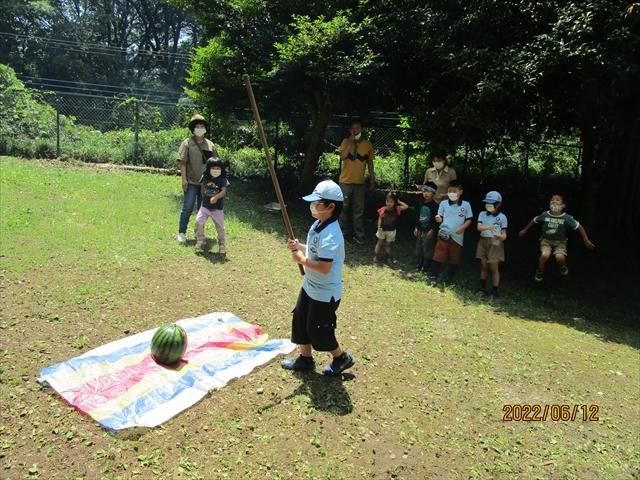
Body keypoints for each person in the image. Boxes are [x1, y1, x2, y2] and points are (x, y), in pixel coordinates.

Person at [281, 180, 355, 376]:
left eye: (316, 203)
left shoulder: (331, 235)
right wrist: (300, 247)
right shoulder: (318, 223)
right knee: (300, 320)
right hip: (310, 286)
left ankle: (341, 358)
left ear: (331, 207)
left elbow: (324, 267)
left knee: (319, 330)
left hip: (325, 292)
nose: (312, 206)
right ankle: (305, 360)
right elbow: (315, 251)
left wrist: (301, 260)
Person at [519, 194, 594, 282]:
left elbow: (578, 226)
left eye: (558, 200)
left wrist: (586, 239)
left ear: (564, 205)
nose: (554, 201)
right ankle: (540, 271)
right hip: (546, 240)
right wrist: (525, 230)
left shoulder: (567, 218)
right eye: (552, 200)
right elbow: (534, 220)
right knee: (544, 255)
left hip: (560, 242)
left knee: (560, 257)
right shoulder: (544, 215)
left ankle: (562, 266)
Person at [176, 114, 219, 243]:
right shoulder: (187, 143)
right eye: (197, 126)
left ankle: (199, 232)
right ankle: (182, 232)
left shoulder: (210, 145)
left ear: (205, 128)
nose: (200, 128)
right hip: (191, 181)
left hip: (205, 184)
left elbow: (216, 164)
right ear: (193, 129)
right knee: (187, 207)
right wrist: (184, 180)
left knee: (203, 210)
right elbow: (183, 162)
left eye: (202, 126)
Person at [428, 180, 473, 286]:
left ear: (460, 192)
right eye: (449, 191)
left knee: (454, 257)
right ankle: (434, 276)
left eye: (454, 191)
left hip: (457, 236)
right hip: (444, 234)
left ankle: (451, 277)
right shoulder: (443, 204)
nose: (451, 193)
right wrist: (438, 219)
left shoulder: (466, 205)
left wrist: (462, 228)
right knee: (438, 255)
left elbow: (469, 219)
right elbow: (439, 217)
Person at [338, 119, 375, 244]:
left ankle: (358, 234)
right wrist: (350, 141)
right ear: (350, 130)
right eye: (353, 128)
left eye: (358, 127)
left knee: (359, 209)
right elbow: (342, 157)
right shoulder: (345, 141)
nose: (355, 130)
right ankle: (342, 231)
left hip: (360, 183)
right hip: (345, 181)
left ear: (362, 129)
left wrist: (372, 178)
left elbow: (370, 162)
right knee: (343, 207)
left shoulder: (368, 144)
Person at [476, 191, 508, 298]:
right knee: (484, 266)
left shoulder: (502, 217)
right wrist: (489, 228)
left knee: (494, 268)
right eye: (487, 203)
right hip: (483, 240)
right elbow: (479, 227)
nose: (488, 205)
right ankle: (482, 288)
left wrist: (499, 237)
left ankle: (494, 291)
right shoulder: (482, 214)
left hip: (495, 243)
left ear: (498, 204)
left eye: (492, 203)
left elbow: (504, 235)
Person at [194, 158, 229, 253]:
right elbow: (202, 188)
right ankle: (200, 239)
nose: (216, 170)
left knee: (220, 227)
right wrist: (204, 198)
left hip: (217, 208)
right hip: (205, 206)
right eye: (213, 168)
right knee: (198, 222)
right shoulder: (204, 177)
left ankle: (222, 244)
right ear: (208, 168)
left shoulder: (222, 179)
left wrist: (216, 197)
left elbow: (223, 191)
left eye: (218, 168)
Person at [373, 192, 408, 264]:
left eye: (391, 202)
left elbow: (406, 206)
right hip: (383, 230)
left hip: (391, 230)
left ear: (395, 202)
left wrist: (399, 202)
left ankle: (388, 256)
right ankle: (375, 256)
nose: (388, 203)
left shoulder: (397, 209)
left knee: (388, 244)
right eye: (387, 201)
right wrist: (379, 227)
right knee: (379, 243)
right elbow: (380, 218)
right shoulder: (383, 209)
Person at [414, 181, 439, 272]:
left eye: (429, 191)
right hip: (420, 229)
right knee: (419, 246)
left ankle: (426, 264)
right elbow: (418, 215)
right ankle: (419, 262)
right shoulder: (421, 203)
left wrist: (432, 230)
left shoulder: (435, 206)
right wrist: (416, 227)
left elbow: (436, 220)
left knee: (428, 247)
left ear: (434, 193)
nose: (426, 193)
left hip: (428, 230)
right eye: (424, 191)